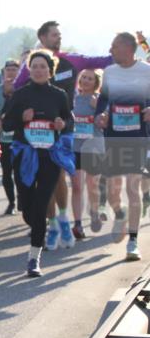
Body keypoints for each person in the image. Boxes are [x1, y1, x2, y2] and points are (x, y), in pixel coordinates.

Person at [14, 21, 113, 251]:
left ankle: (62, 220)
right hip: (36, 131)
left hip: (64, 129)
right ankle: (51, 222)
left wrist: (118, 52)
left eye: (59, 34)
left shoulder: (72, 59)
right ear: (42, 37)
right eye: (54, 34)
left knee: (57, 175)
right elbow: (15, 91)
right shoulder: (32, 63)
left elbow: (101, 61)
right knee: (42, 178)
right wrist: (23, 113)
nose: (58, 37)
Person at [1, 50, 74, 277]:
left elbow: (69, 121)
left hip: (49, 156)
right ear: (29, 70)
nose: (39, 70)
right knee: (27, 207)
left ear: (50, 70)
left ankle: (34, 258)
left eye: (43, 66)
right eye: (35, 67)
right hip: (25, 155)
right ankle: (36, 225)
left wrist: (62, 124)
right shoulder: (20, 94)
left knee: (41, 204)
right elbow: (7, 125)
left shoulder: (59, 95)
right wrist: (21, 118)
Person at [99, 32, 150, 261]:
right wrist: (99, 114)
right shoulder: (109, 72)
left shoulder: (146, 71)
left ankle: (133, 240)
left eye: (115, 45)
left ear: (129, 48)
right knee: (112, 191)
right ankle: (120, 213)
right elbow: (102, 100)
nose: (111, 50)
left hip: (138, 137)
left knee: (133, 187)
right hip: (113, 137)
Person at [70, 68, 105, 239]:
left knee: (92, 184)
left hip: (94, 145)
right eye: (83, 77)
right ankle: (77, 224)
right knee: (77, 186)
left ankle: (95, 212)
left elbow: (106, 123)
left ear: (96, 83)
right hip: (75, 147)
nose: (85, 81)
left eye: (90, 79)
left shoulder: (99, 100)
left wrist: (98, 110)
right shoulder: (73, 99)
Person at [0, 59, 21, 215]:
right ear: (3, 72)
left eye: (14, 69)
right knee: (6, 172)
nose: (11, 72)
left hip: (20, 138)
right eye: (8, 69)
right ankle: (11, 201)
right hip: (4, 138)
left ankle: (22, 197)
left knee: (20, 172)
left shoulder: (23, 89)